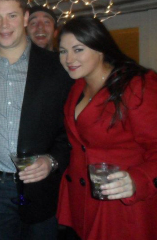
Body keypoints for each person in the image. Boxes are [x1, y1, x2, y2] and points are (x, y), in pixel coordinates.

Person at [0, 0, 73, 240]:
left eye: (12, 16)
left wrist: (52, 160)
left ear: (25, 18)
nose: (4, 25)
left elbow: (70, 130)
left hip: (41, 186)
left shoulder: (56, 67)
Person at [57, 16, 157, 239]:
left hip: (121, 206)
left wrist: (137, 180)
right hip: (82, 202)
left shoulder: (135, 85)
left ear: (100, 48)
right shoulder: (77, 87)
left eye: (78, 49)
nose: (68, 59)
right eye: (63, 51)